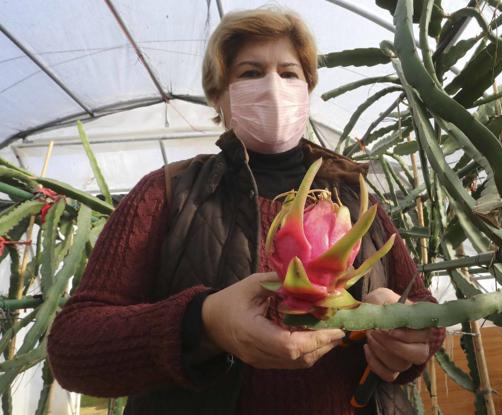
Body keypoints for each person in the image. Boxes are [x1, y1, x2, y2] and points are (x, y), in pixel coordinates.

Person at [47, 7, 445, 414]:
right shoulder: (165, 192)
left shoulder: (357, 198)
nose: (273, 86)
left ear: (307, 91)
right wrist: (203, 323)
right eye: (251, 73)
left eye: (289, 73)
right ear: (220, 96)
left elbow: (424, 313)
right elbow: (73, 349)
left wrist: (404, 336)